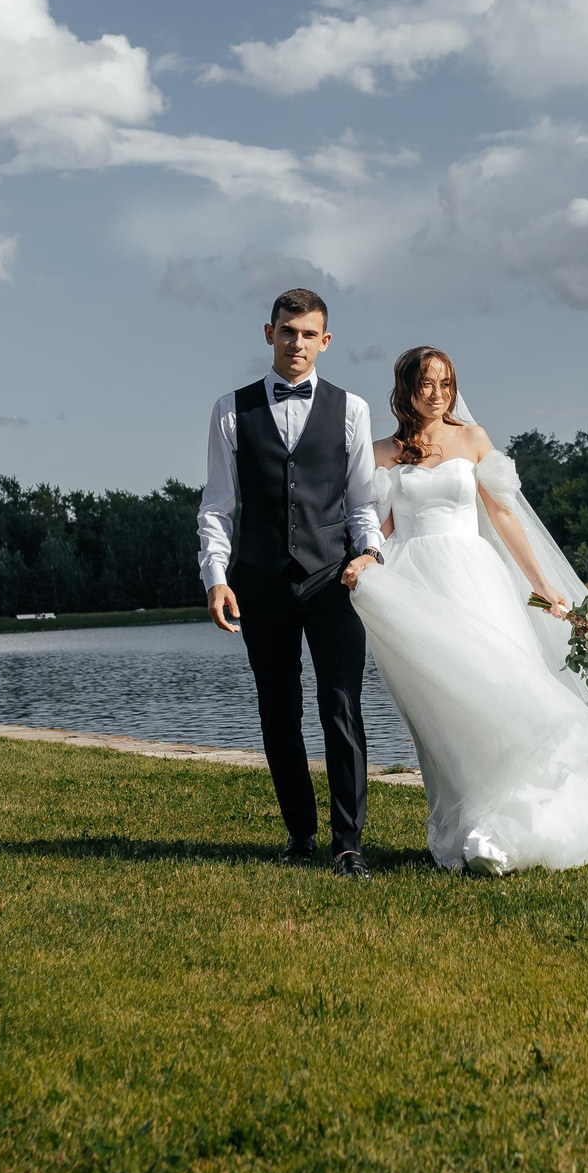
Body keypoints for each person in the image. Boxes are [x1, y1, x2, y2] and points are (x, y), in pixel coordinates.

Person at [344, 346, 588, 875]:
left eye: (446, 383)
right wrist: (366, 561)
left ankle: (507, 827)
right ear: (404, 389)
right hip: (416, 589)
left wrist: (545, 587)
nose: (437, 393)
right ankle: (468, 822)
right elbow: (380, 528)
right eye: (426, 383)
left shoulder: (473, 440)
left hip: (474, 580)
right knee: (445, 711)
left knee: (502, 693)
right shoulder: (382, 451)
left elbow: (503, 516)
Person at [197, 288, 388, 879]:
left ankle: (348, 843)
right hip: (259, 580)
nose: (297, 343)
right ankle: (300, 834)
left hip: (334, 580)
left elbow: (362, 504)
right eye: (287, 331)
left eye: (308, 334)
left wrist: (371, 555)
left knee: (342, 709)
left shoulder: (352, 409)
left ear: (324, 341)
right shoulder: (231, 409)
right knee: (277, 711)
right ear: (268, 333)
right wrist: (216, 578)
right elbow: (217, 507)